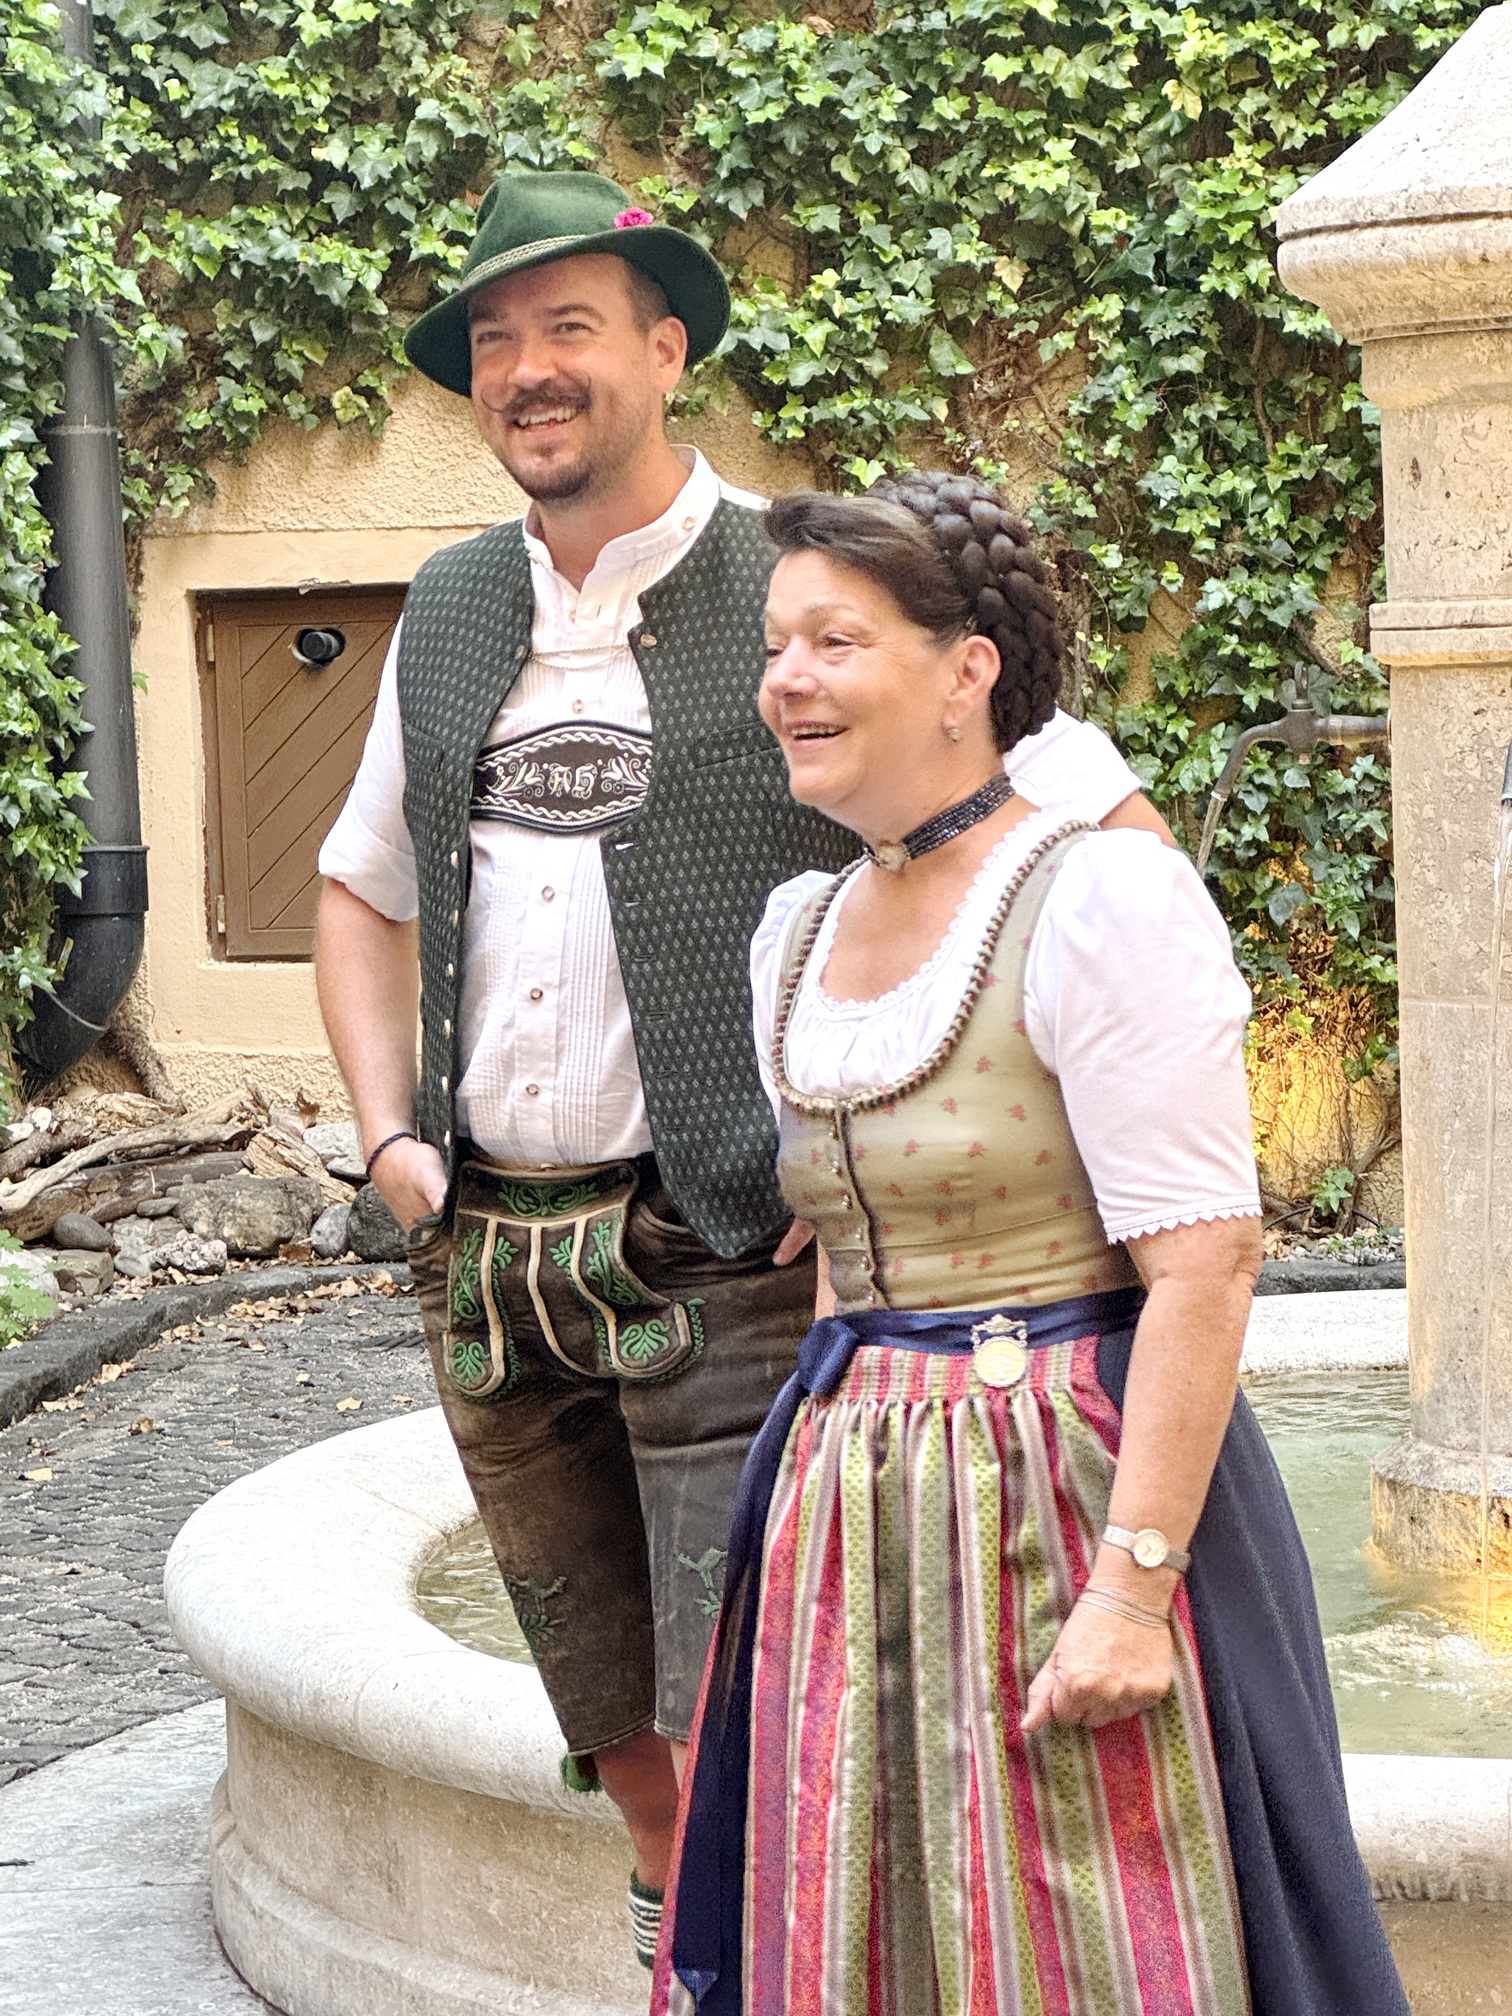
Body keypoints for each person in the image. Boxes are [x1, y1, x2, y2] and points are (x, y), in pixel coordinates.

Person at [315, 167, 1172, 1967]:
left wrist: (898, 1128)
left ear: (665, 348)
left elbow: (1090, 823)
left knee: (745, 1724)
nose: (527, 370)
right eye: (494, 340)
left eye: (569, 326)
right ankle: (684, 1967)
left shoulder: (806, 582)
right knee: (619, 1749)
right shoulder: (451, 606)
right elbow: (359, 888)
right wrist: (391, 1141)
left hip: (725, 1256)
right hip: (492, 1266)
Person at [654, 474, 1410, 2016]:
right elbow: (839, 1254)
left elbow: (1206, 1261)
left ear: (967, 672)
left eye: (834, 642)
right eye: (777, 644)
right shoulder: (796, 930)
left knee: (1101, 1925)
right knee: (866, 1915)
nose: (786, 679)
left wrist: (1133, 1588)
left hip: (1065, 1489)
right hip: (850, 1497)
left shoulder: (1097, 899)